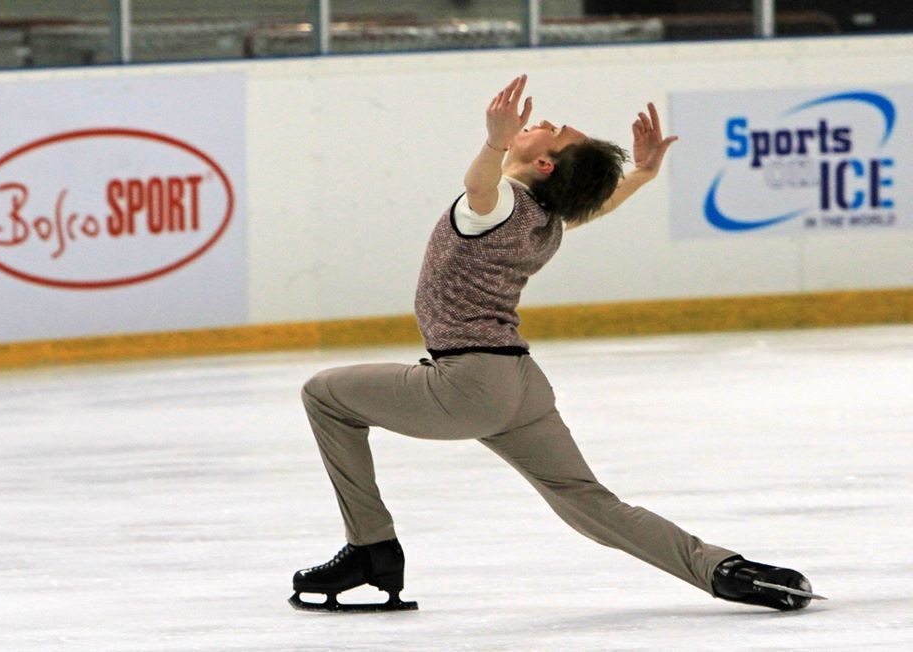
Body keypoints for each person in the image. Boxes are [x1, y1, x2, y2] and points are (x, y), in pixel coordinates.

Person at [289, 75, 823, 612]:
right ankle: (724, 569)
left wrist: (496, 141)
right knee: (590, 503)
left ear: (544, 163)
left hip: (466, 385)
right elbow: (598, 205)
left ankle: (370, 548)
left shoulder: (496, 206)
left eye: (553, 130)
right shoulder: (547, 219)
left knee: (323, 394)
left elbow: (479, 188)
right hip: (520, 388)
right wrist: (641, 173)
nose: (541, 122)